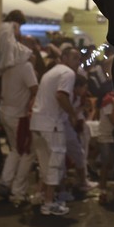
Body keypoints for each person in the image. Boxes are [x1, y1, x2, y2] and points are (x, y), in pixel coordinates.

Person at [30, 46, 83, 216]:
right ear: (65, 57)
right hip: (52, 124)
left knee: (45, 164)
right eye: (75, 58)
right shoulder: (67, 73)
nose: (78, 62)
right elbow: (61, 96)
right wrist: (73, 114)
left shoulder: (51, 72)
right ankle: (49, 202)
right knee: (55, 163)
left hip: (37, 123)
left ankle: (40, 195)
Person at [0, 42, 38, 206]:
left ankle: (5, 182)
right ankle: (18, 191)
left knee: (15, 149)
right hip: (19, 116)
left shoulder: (8, 65)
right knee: (27, 151)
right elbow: (35, 89)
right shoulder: (25, 66)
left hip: (5, 112)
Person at [0, 10, 33, 78]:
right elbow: (16, 37)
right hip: (7, 57)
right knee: (30, 56)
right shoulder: (13, 25)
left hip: (1, 54)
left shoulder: (3, 26)